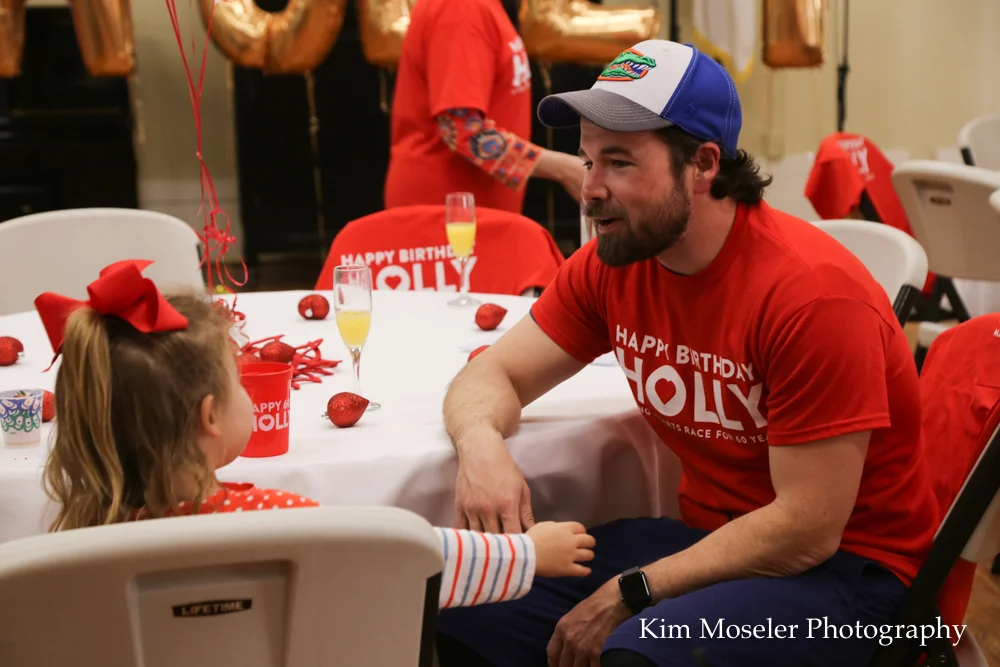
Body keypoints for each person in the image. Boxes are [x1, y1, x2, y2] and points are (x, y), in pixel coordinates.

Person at [435, 40, 939, 667]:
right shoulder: (613, 263)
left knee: (637, 652)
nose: (590, 189)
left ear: (703, 163)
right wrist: (480, 443)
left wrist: (633, 590)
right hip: (713, 540)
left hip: (857, 579)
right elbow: (492, 373)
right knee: (462, 602)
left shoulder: (812, 297)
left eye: (619, 162)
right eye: (588, 160)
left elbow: (808, 528)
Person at [34, 260, 596, 611]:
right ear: (210, 417)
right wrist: (526, 553)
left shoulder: (73, 540)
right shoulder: (278, 522)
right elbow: (410, 560)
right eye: (238, 381)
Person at [383, 0, 584, 213]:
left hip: (468, 209)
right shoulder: (461, 8)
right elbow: (462, 130)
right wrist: (566, 170)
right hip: (444, 212)